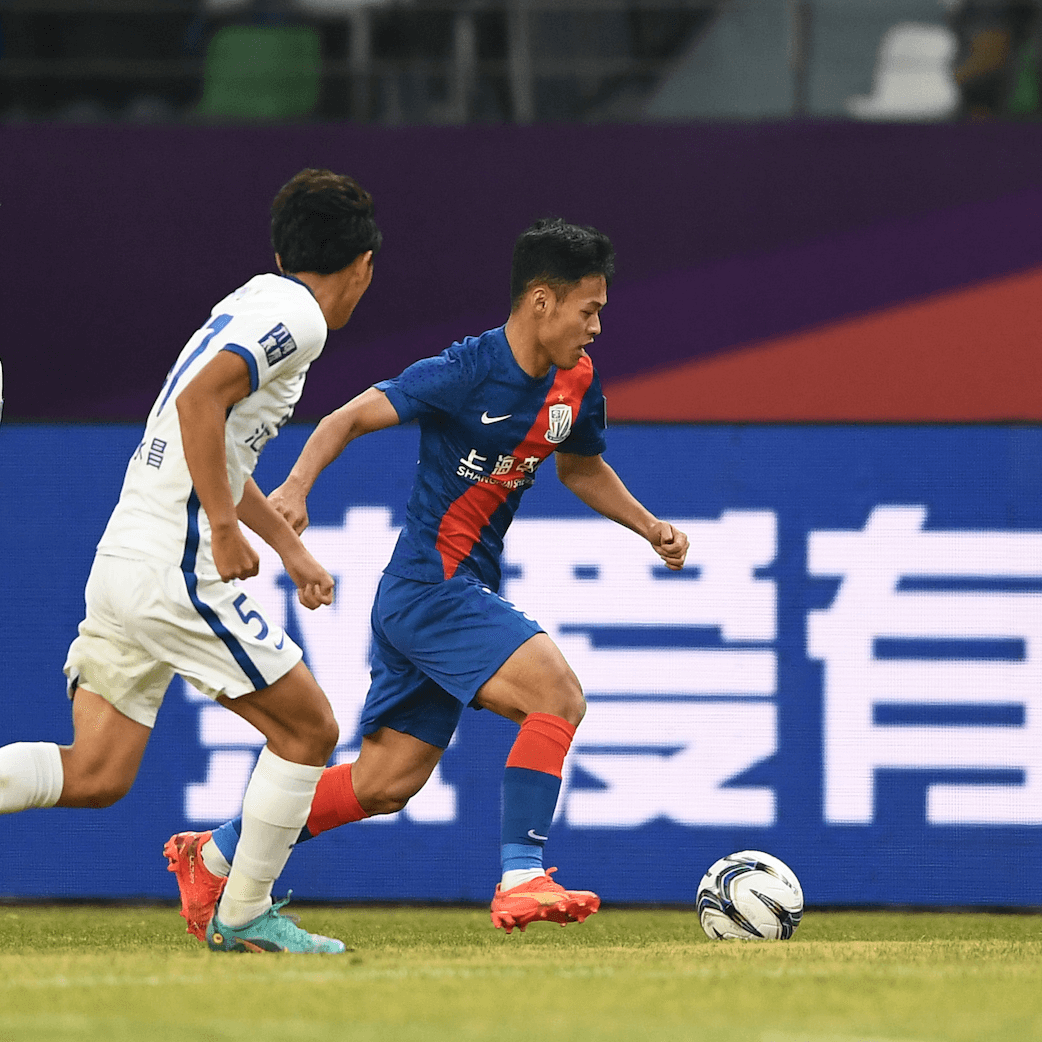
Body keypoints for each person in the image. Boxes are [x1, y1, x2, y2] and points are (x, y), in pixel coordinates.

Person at [166, 217, 690, 937]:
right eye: (589, 309)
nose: (597, 327)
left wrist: (647, 525)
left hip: (442, 595)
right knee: (558, 695)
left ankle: (214, 854)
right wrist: (296, 487)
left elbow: (579, 466)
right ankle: (522, 875)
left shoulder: (576, 383)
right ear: (542, 301)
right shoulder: (467, 371)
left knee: (384, 783)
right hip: (429, 588)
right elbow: (345, 419)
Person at [0, 168, 381, 954]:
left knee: (97, 771)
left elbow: (218, 445)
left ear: (281, 251)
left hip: (125, 556)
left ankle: (234, 904)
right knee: (310, 729)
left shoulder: (254, 300)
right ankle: (240, 913)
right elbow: (198, 403)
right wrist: (224, 528)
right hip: (171, 565)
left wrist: (288, 548)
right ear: (363, 265)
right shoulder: (302, 318)